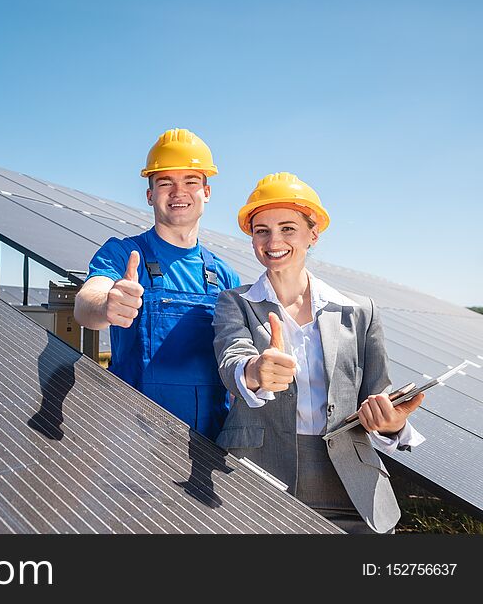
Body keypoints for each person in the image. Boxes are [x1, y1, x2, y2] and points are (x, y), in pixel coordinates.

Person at [212, 172, 425, 533]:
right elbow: (232, 359)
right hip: (256, 473)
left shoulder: (360, 311)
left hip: (349, 484)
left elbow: (379, 394)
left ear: (313, 234)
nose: (273, 240)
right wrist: (255, 371)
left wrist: (392, 422)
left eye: (288, 228)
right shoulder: (235, 302)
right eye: (261, 230)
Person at [74, 129, 240, 440]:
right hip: (132, 442)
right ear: (150, 195)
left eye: (190, 181)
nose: (179, 192)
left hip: (206, 445)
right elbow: (86, 305)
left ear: (207, 191)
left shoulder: (225, 276)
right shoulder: (123, 254)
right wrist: (107, 304)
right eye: (165, 182)